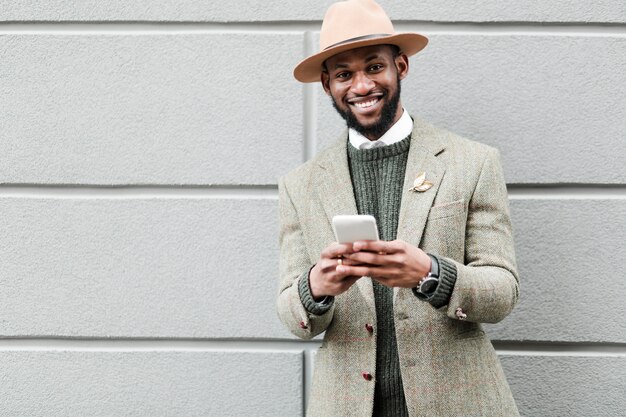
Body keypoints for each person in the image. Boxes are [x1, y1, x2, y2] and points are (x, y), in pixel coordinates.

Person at [276, 1, 520, 415]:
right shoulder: (300, 184)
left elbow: (503, 292)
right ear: (326, 85)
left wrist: (432, 274)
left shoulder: (473, 162)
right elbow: (290, 312)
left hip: (457, 404)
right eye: (343, 74)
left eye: (374, 67)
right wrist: (316, 286)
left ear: (401, 67)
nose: (361, 85)